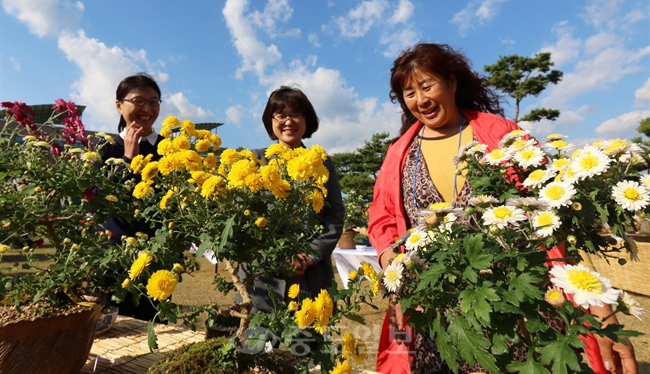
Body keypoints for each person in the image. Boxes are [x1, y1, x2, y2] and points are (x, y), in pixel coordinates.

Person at [367, 43, 637, 374]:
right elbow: (382, 221)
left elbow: (549, 215)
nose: (420, 100)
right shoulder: (399, 154)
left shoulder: (503, 137)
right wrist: (394, 268)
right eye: (409, 92)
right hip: (433, 312)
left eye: (427, 86)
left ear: (452, 82)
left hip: (513, 305)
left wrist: (595, 300)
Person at [246, 85, 344, 315]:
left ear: (306, 120)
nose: (288, 121)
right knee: (258, 344)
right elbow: (244, 220)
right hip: (263, 278)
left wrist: (310, 255)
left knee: (308, 345)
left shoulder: (322, 162)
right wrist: (278, 259)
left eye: (296, 115)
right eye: (280, 115)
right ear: (270, 121)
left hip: (311, 276)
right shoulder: (255, 161)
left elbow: (335, 216)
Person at [100, 72, 164, 320]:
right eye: (138, 101)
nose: (146, 109)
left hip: (156, 254)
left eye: (154, 101)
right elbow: (100, 198)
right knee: (107, 329)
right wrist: (127, 159)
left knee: (153, 323)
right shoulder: (105, 146)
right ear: (119, 105)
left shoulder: (168, 149)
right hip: (112, 256)